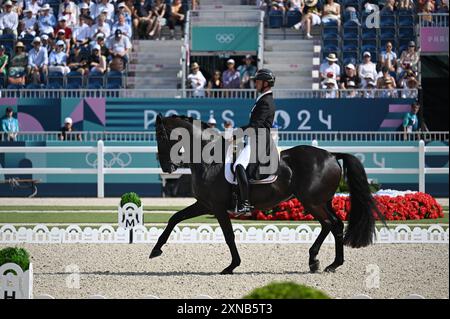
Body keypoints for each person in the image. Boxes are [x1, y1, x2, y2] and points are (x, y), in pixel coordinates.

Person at [233, 69, 277, 215]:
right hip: (255, 138)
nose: (255, 83)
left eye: (258, 81)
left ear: (265, 83)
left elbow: (256, 125)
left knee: (239, 165)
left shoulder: (265, 102)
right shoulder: (263, 99)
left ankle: (245, 203)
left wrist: (237, 132)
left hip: (258, 140)